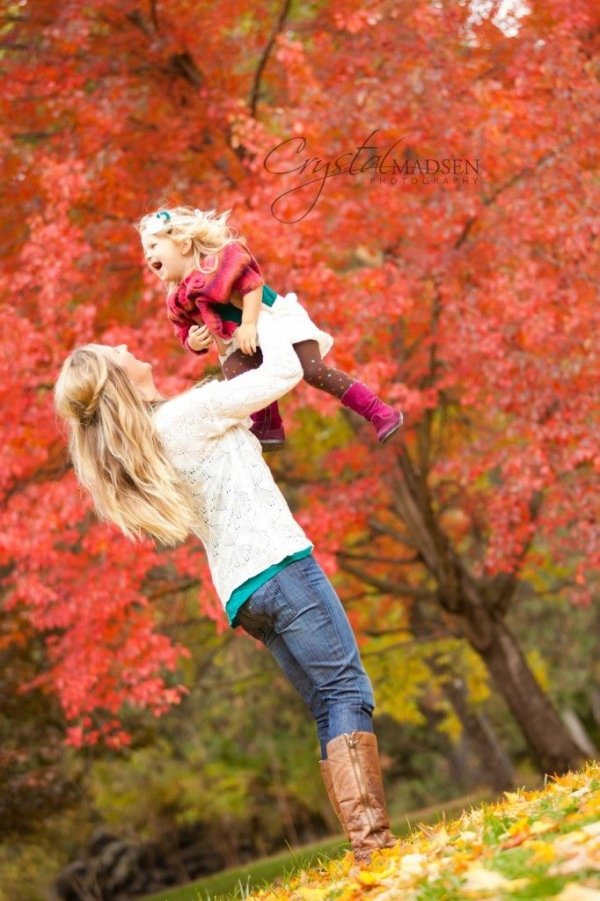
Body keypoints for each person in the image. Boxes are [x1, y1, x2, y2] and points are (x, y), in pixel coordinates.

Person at [54, 311, 396, 864]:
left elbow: (232, 397)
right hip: (281, 568)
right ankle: (373, 849)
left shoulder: (159, 434)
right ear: (119, 380)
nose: (124, 341)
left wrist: (226, 344)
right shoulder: (187, 416)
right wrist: (271, 310)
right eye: (115, 349)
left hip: (244, 593)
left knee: (328, 706)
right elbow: (283, 371)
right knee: (348, 695)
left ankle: (369, 848)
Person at [137, 206, 402, 451]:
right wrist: (194, 341)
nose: (148, 255)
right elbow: (182, 331)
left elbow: (252, 286)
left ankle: (380, 412)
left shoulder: (219, 264)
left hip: (272, 319)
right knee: (239, 378)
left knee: (312, 370)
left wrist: (250, 324)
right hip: (236, 340)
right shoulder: (177, 298)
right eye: (145, 250)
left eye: (153, 246)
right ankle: (268, 426)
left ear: (183, 245)